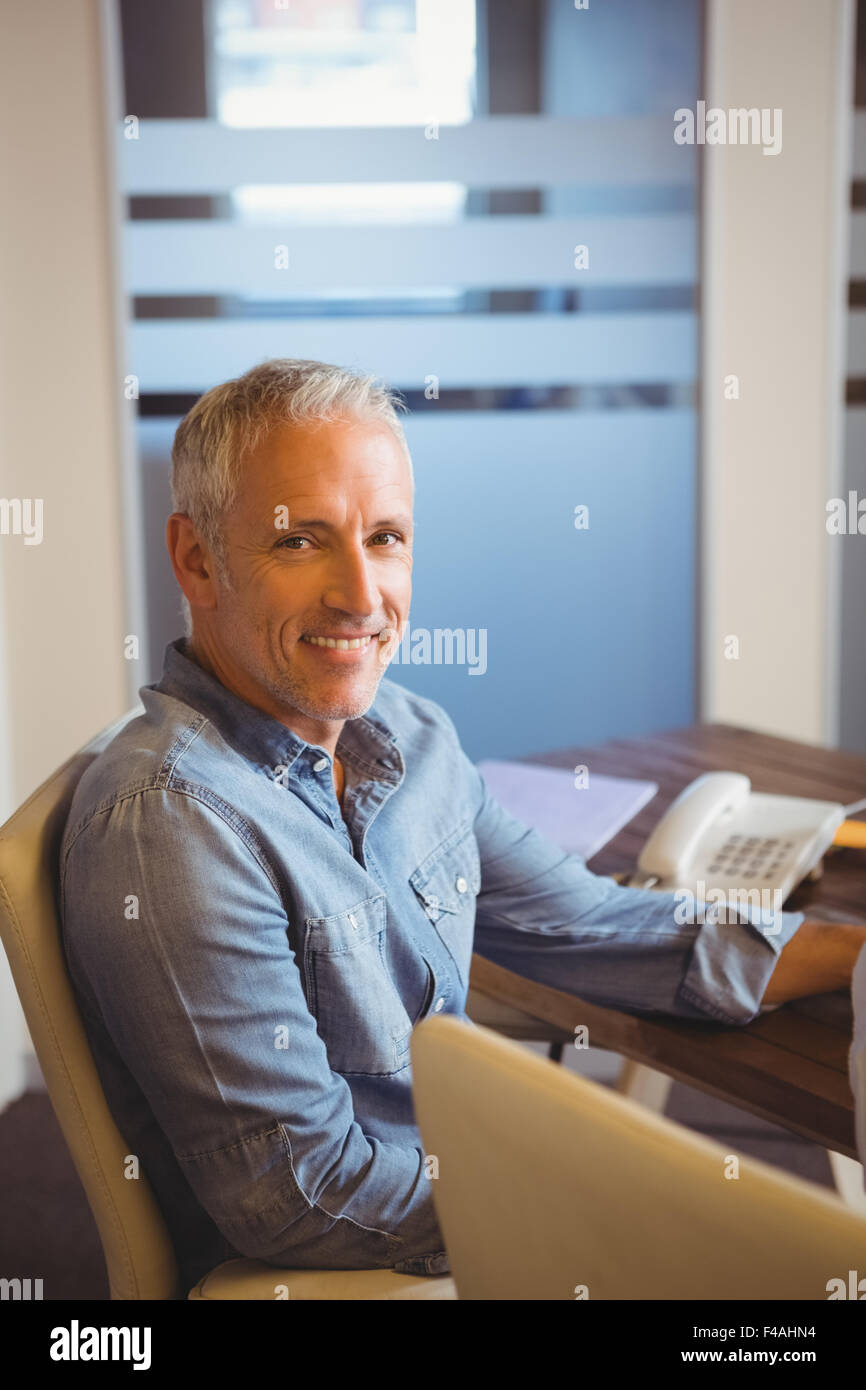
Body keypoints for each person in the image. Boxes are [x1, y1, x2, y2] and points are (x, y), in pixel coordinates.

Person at [60, 359, 866, 1291]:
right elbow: (297, 1195)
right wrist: (601, 1202)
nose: (362, 596)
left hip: (457, 1193)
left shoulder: (404, 736)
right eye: (300, 543)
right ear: (198, 559)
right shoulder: (172, 824)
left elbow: (592, 926)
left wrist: (849, 954)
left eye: (387, 537)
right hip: (349, 1273)